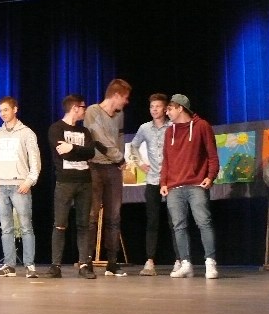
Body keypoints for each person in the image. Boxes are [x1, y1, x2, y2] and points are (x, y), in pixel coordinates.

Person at [160, 94, 220, 279]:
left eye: (170, 109)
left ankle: (210, 263)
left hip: (196, 184)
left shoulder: (201, 126)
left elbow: (212, 155)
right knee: (178, 226)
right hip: (174, 187)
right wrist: (163, 182)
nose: (167, 112)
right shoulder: (169, 132)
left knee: (204, 222)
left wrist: (210, 176)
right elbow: (166, 160)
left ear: (180, 108)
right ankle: (185, 263)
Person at [43, 95, 97, 279]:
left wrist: (72, 148)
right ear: (75, 108)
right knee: (60, 224)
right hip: (65, 181)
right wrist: (77, 152)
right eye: (83, 107)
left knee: (83, 224)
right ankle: (55, 266)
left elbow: (90, 152)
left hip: (85, 181)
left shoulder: (85, 131)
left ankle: (84, 265)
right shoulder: (56, 129)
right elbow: (62, 154)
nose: (85, 111)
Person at [0, 96, 40, 278]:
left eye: (6, 110)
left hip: (19, 185)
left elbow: (35, 160)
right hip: (1, 186)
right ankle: (9, 265)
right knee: (6, 228)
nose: (3, 113)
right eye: (0, 111)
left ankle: (29, 265)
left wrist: (29, 181)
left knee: (25, 226)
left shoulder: (27, 133)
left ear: (15, 109)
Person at [128, 93, 180, 276]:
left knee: (175, 221)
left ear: (165, 109)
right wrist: (140, 163)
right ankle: (150, 261)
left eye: (158, 106)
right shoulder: (145, 128)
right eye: (152, 106)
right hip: (152, 180)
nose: (154, 109)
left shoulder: (173, 126)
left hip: (172, 180)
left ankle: (179, 260)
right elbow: (133, 146)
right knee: (152, 221)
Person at [84, 79, 132, 277]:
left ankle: (112, 262)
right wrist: (119, 158)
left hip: (113, 169)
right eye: (125, 97)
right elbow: (98, 139)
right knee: (92, 215)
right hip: (95, 167)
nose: (126, 102)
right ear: (116, 95)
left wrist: (119, 160)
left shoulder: (119, 115)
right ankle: (86, 261)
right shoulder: (93, 111)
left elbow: (119, 139)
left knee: (114, 215)